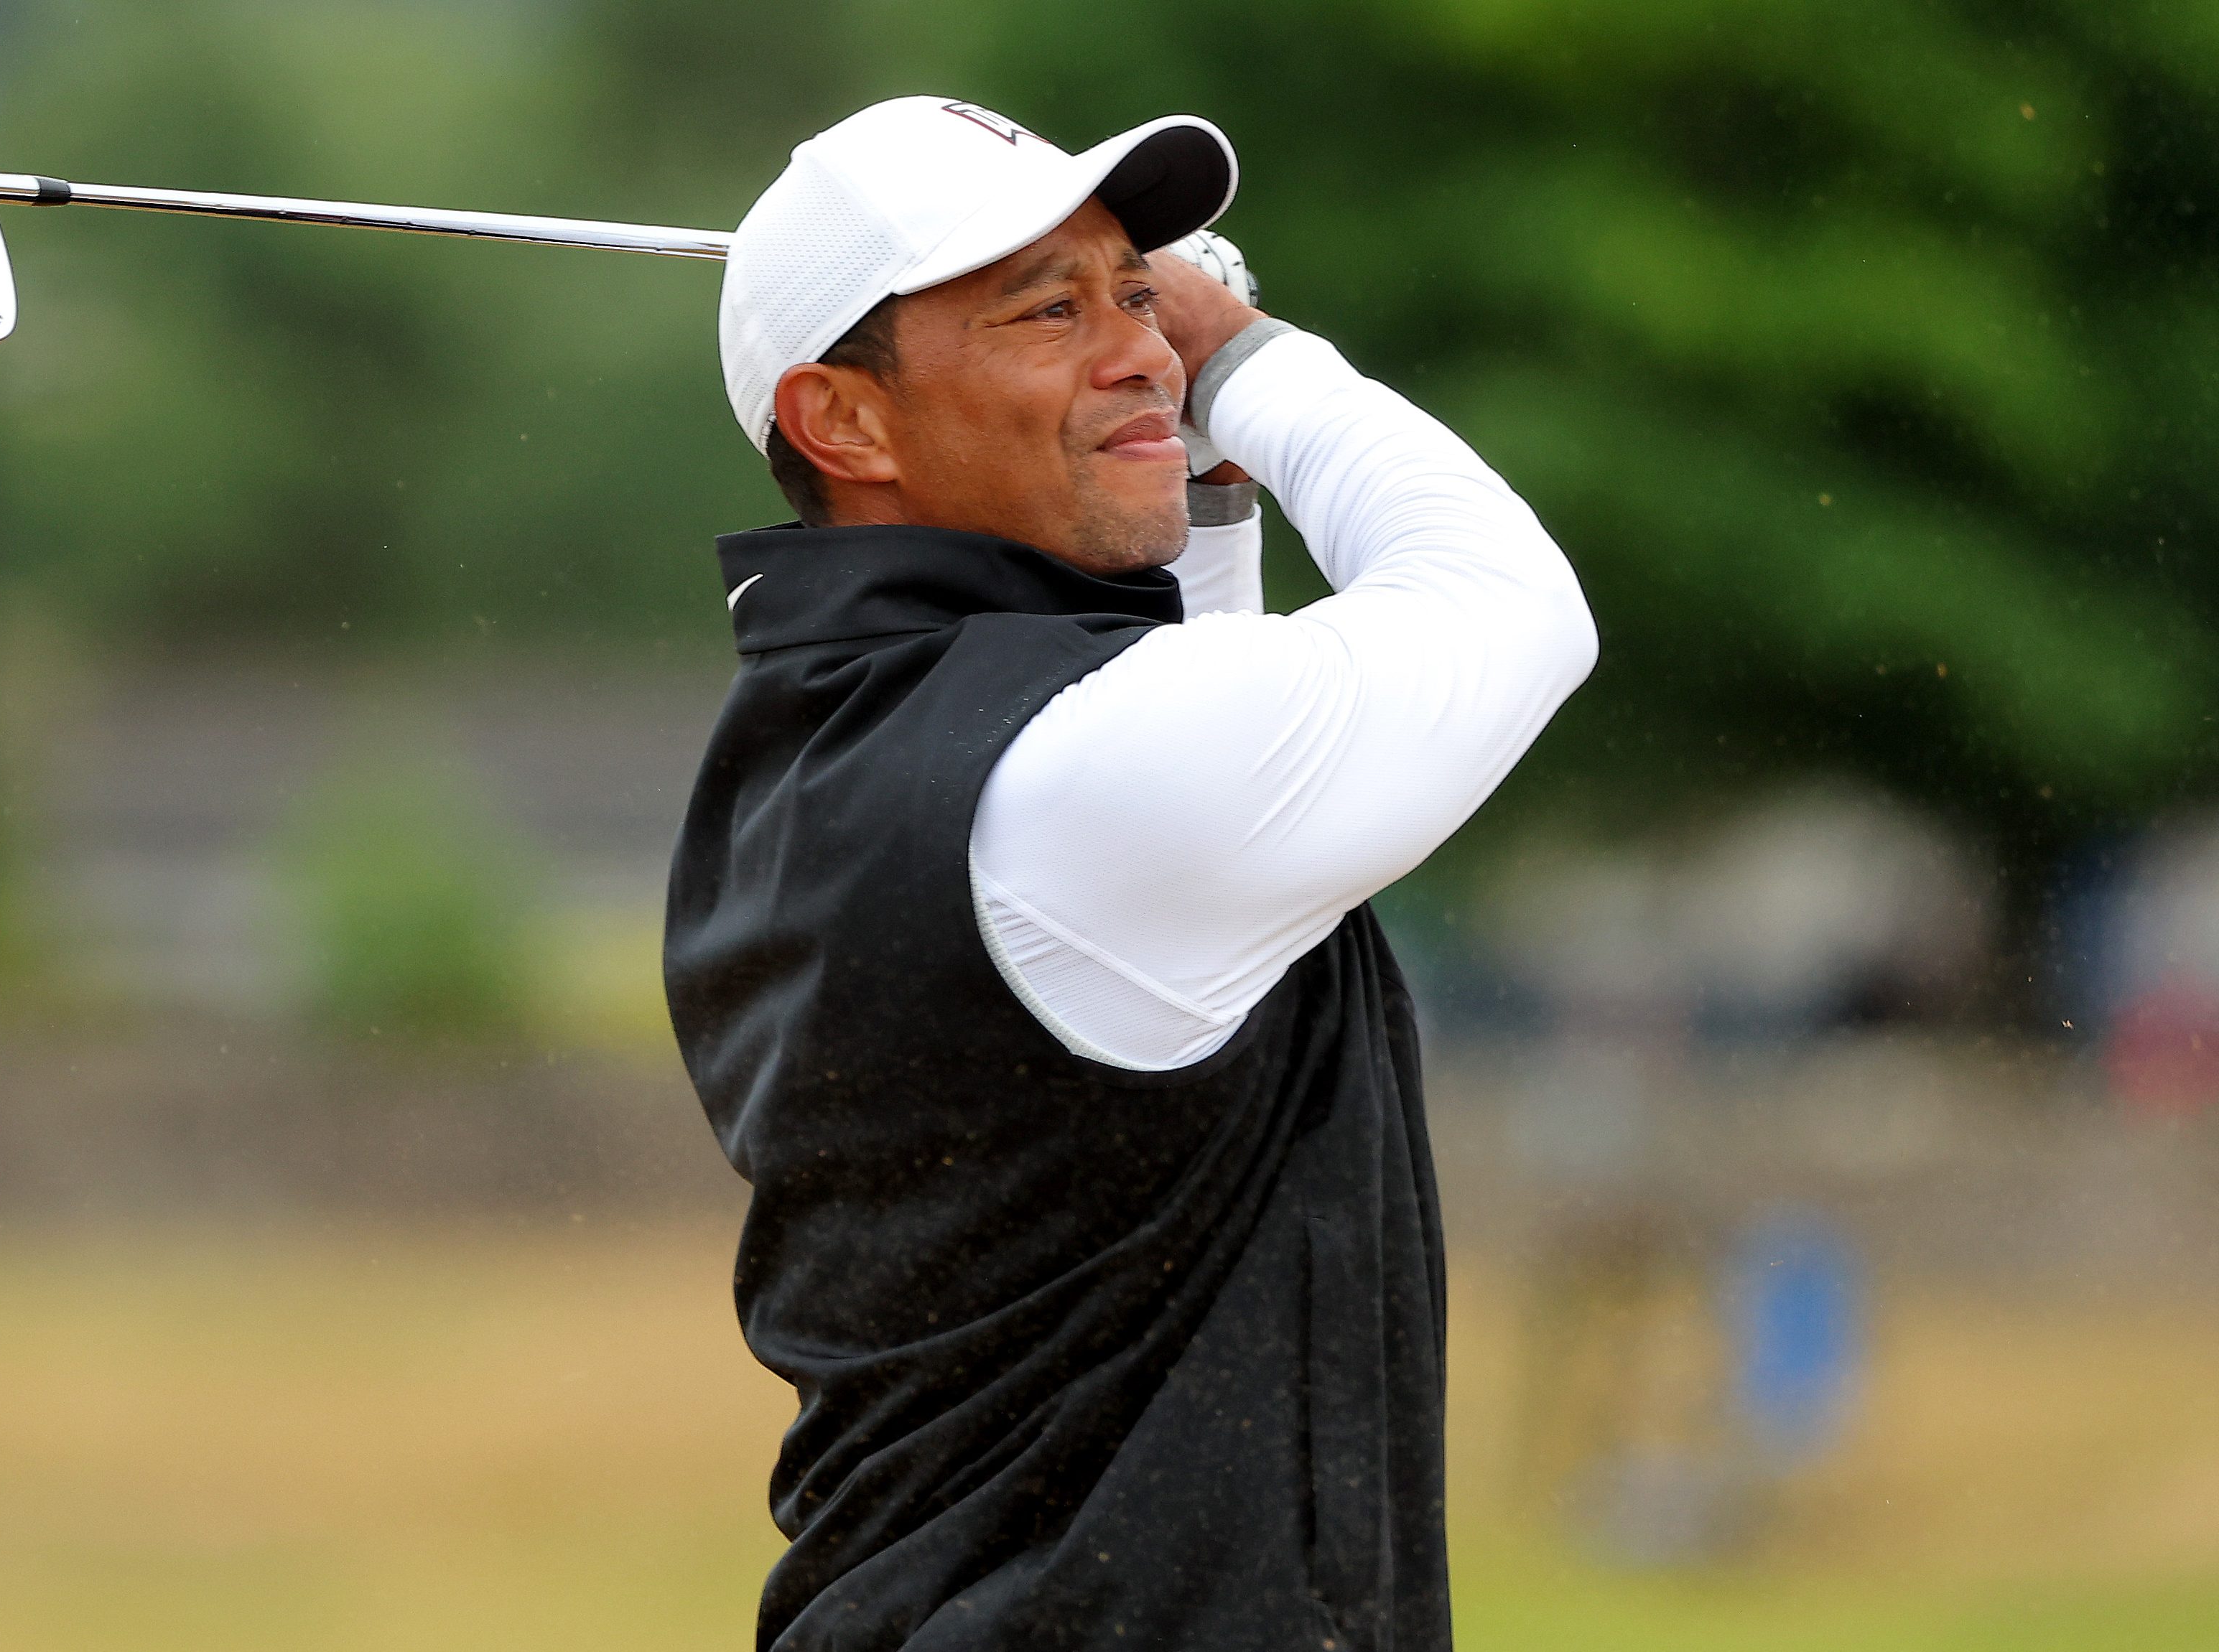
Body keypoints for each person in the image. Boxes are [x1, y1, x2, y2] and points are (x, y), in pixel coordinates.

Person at [664, 95, 1596, 1652]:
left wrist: (1196, 474)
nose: (1140, 347)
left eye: (1137, 291)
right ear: (846, 422)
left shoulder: (821, 754)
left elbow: (1196, 776)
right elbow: (1512, 607)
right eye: (1051, 309)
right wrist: (1257, 358)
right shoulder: (1076, 775)